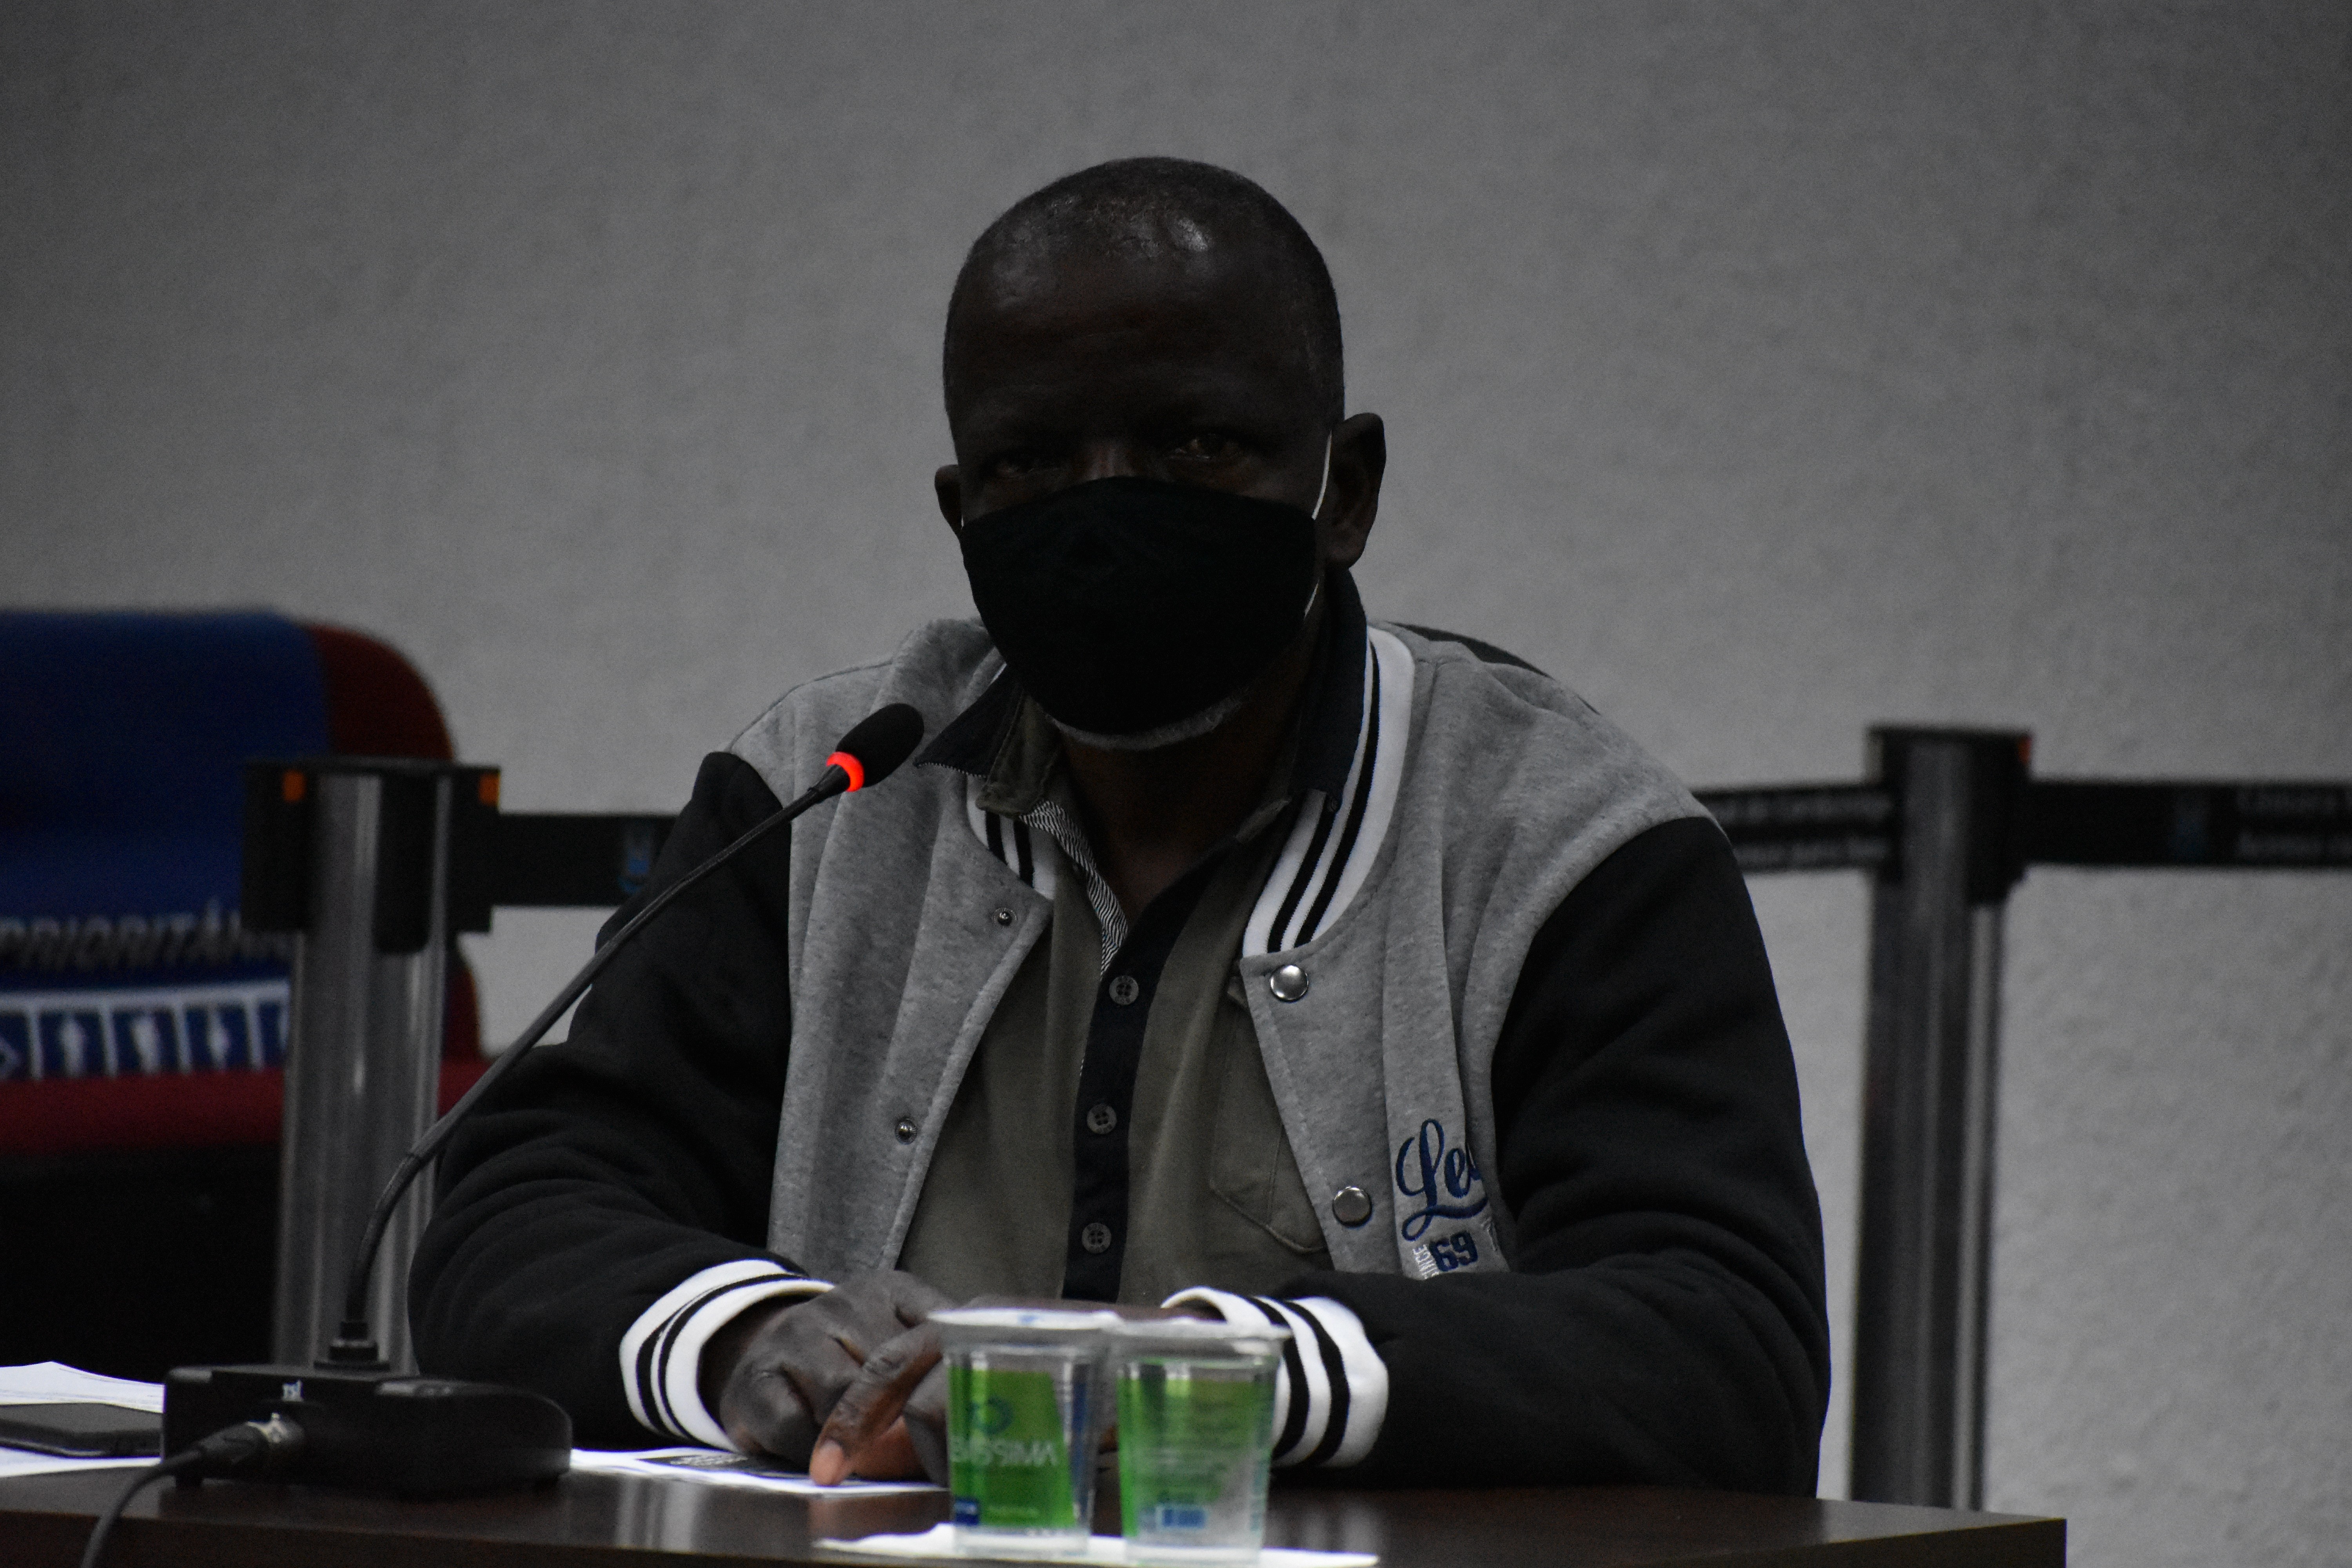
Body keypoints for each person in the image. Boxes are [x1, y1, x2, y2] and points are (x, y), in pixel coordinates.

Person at [412, 157, 1830, 1494]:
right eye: (1031, 462)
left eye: (1194, 443)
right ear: (961, 509)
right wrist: (742, 1335)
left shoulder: (1560, 840)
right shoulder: (826, 793)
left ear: (1345, 491)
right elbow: (513, 1220)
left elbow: (1727, 1344)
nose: (1105, 512)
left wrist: (1222, 1376)